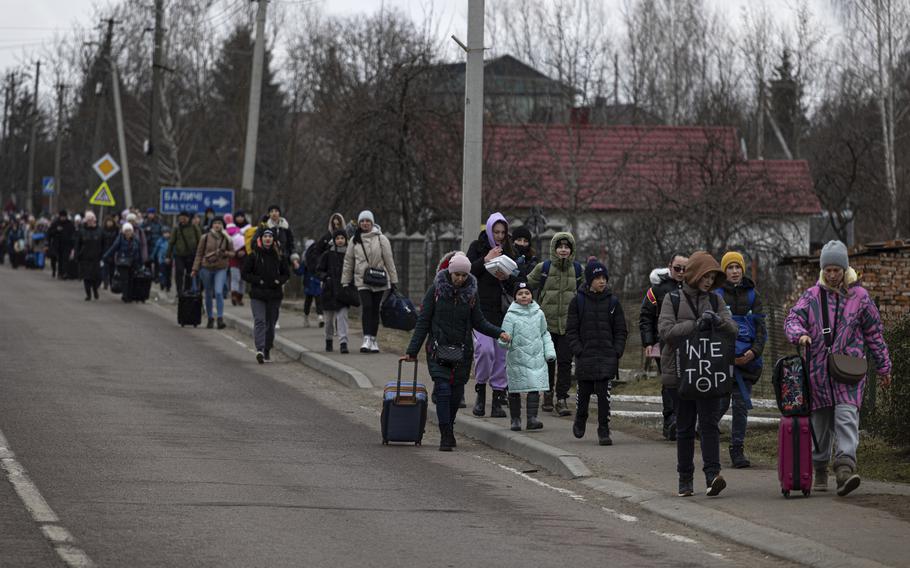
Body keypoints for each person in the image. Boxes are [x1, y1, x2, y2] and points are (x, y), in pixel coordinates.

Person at [785, 240, 892, 497]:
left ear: (845, 269)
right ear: (823, 270)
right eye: (828, 270)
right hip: (818, 375)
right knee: (819, 425)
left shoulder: (861, 298)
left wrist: (884, 367)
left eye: (837, 269)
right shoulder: (811, 296)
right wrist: (799, 334)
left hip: (849, 372)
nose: (832, 275)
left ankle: (845, 469)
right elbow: (792, 318)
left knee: (846, 419)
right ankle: (820, 468)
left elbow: (875, 334)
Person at [405, 253, 510, 451]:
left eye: (463, 275)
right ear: (450, 272)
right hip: (438, 349)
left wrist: (499, 333)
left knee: (456, 394)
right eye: (457, 275)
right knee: (443, 390)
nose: (460, 279)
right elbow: (423, 322)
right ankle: (445, 434)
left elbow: (479, 321)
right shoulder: (435, 291)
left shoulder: (471, 294)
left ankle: (449, 426)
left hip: (462, 353)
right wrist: (412, 351)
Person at [658, 251, 737, 498]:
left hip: (709, 373)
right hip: (680, 373)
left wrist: (717, 322)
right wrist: (694, 325)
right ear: (694, 274)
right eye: (705, 276)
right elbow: (666, 332)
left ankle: (713, 476)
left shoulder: (716, 301)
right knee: (684, 427)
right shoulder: (672, 299)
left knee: (710, 425)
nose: (709, 281)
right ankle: (685, 479)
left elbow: (733, 330)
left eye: (713, 277)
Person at [714, 251, 766, 469]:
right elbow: (712, 330)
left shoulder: (754, 296)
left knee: (741, 406)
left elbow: (762, 330)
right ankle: (702, 431)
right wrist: (727, 356)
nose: (734, 271)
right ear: (724, 271)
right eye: (730, 268)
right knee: (721, 403)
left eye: (737, 267)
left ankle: (737, 449)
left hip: (747, 362)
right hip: (723, 362)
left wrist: (753, 353)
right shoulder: (716, 295)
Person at [566, 260, 627, 446]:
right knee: (583, 393)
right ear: (590, 279)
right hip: (586, 356)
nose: (601, 281)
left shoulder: (613, 302)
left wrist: (616, 351)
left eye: (604, 278)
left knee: (604, 397)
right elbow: (571, 330)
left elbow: (621, 330)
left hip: (606, 356)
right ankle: (581, 417)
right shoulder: (578, 301)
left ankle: (603, 428)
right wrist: (578, 350)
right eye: (598, 278)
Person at [526, 232, 585, 416]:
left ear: (571, 249)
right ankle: (548, 394)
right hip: (547, 325)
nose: (563, 250)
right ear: (554, 248)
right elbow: (525, 286)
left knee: (566, 362)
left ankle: (562, 398)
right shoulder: (542, 268)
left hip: (569, 325)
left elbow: (585, 293)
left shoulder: (577, 270)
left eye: (567, 247)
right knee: (548, 361)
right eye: (560, 246)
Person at [466, 212, 517, 418]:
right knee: (484, 350)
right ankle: (480, 391)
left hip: (502, 310)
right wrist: (486, 260)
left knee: (501, 356)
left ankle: (497, 398)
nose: (499, 236)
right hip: (481, 309)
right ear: (488, 230)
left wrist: (506, 277)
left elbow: (516, 282)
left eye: (502, 233)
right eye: (496, 232)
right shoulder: (477, 247)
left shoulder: (509, 251)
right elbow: (467, 272)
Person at [639, 252, 689, 441]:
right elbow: (646, 316)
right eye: (677, 268)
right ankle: (670, 421)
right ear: (670, 267)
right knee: (669, 382)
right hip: (663, 343)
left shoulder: (692, 287)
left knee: (686, 381)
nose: (681, 272)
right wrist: (648, 342)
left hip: (687, 343)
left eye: (685, 269)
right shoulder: (657, 289)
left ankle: (685, 419)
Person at [498, 280, 555, 431]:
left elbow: (544, 333)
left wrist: (549, 352)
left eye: (527, 293)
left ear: (531, 295)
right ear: (515, 297)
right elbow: (503, 337)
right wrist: (504, 340)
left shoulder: (539, 313)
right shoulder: (510, 316)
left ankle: (532, 418)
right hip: (517, 358)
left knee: (534, 387)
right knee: (515, 388)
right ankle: (515, 420)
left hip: (536, 358)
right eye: (520, 293)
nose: (524, 296)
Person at [341, 210, 399, 353]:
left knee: (375, 309)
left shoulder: (381, 239)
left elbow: (389, 260)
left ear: (372, 222)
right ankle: (366, 338)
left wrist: (393, 280)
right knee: (366, 307)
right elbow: (348, 261)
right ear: (359, 223)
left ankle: (373, 339)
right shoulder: (354, 240)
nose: (365, 223)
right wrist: (345, 281)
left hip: (379, 280)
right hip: (362, 280)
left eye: (367, 221)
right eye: (362, 221)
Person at [242, 229, 290, 364]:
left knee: (271, 323)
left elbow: (286, 274)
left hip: (274, 294)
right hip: (258, 294)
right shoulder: (254, 255)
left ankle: (267, 348)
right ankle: (260, 350)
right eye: (265, 236)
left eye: (270, 236)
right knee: (260, 321)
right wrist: (258, 280)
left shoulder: (279, 256)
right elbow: (245, 273)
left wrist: (278, 281)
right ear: (261, 239)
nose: (267, 239)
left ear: (273, 239)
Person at [191, 216, 235, 329]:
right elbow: (199, 254)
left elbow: (233, 253)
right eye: (215, 223)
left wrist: (225, 253)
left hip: (221, 268)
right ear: (212, 225)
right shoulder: (205, 237)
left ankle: (220, 318)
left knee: (219, 292)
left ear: (223, 225)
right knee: (208, 293)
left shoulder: (227, 238)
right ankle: (210, 317)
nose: (217, 225)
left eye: (219, 223)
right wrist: (195, 269)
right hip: (206, 268)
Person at [317, 229, 351, 353]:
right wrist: (326, 278)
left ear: (346, 240)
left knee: (343, 317)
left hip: (343, 291)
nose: (340, 241)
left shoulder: (349, 255)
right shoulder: (327, 254)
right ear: (334, 240)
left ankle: (343, 342)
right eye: (338, 238)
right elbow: (319, 270)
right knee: (329, 321)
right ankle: (329, 340)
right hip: (329, 291)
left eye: (342, 238)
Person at [103, 222, 143, 303]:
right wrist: (105, 256)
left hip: (133, 263)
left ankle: (130, 295)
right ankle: (125, 296)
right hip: (123, 262)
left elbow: (139, 252)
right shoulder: (120, 239)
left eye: (130, 231)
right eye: (127, 231)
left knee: (131, 279)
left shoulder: (136, 240)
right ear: (124, 232)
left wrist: (141, 263)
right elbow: (113, 248)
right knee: (125, 280)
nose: (128, 233)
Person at [166, 211, 202, 296]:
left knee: (189, 273)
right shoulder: (176, 228)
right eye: (181, 217)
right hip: (179, 255)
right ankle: (179, 290)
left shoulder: (194, 227)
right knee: (179, 271)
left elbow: (200, 241)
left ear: (188, 218)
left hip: (191, 254)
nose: (183, 219)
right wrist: (168, 256)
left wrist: (200, 254)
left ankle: (187, 289)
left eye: (185, 217)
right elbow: (171, 242)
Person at [254, 205, 300, 270]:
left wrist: (294, 259)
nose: (274, 213)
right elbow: (254, 242)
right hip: (267, 260)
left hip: (283, 260)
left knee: (283, 279)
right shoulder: (264, 226)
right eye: (271, 211)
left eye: (276, 211)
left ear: (279, 213)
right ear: (269, 214)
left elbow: (291, 244)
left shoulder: (285, 227)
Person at [74, 211, 104, 301]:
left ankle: (95, 290)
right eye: (88, 220)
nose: (90, 221)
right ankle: (88, 294)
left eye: (92, 220)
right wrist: (77, 255)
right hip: (85, 258)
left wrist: (103, 255)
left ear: (94, 220)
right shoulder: (82, 231)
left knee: (96, 278)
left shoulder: (100, 231)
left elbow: (104, 244)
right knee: (86, 278)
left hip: (96, 258)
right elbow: (77, 244)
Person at [300, 239, 325, 328]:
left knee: (318, 301)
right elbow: (301, 271)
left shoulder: (319, 256)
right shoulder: (305, 258)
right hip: (309, 283)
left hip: (316, 282)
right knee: (308, 302)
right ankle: (306, 318)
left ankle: (320, 317)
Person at [48, 209, 76, 279]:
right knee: (59, 260)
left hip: (67, 245)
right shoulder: (56, 223)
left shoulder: (70, 224)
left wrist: (72, 244)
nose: (63, 218)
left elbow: (73, 234)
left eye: (64, 217)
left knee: (65, 260)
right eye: (61, 217)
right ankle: (59, 273)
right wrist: (56, 230)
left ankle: (64, 273)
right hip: (58, 245)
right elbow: (49, 233)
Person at [227, 221, 247, 305]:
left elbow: (248, 248)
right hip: (233, 261)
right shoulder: (227, 239)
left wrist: (244, 252)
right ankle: (234, 296)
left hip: (244, 262)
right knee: (235, 278)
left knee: (243, 279)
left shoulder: (243, 237)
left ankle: (240, 297)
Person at [101, 216, 120, 289]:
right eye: (108, 222)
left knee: (112, 268)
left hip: (113, 251)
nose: (109, 223)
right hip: (105, 251)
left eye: (111, 222)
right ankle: (105, 282)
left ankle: (112, 283)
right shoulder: (103, 230)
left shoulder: (116, 230)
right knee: (104, 268)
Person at [151, 227, 172, 292]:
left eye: (167, 233)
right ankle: (162, 284)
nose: (166, 234)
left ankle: (168, 286)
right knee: (162, 273)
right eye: (165, 233)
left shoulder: (171, 241)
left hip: (169, 260)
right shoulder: (159, 241)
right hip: (161, 260)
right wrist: (152, 257)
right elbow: (155, 249)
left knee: (169, 274)